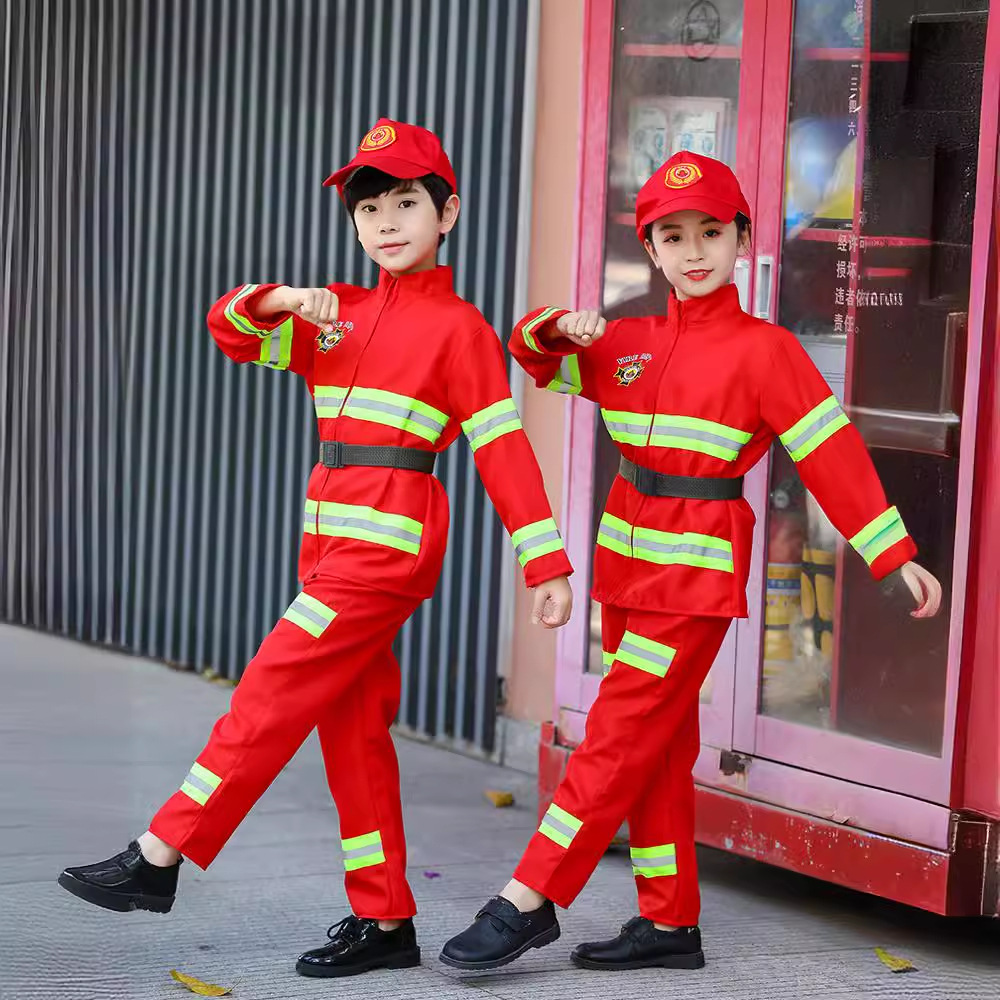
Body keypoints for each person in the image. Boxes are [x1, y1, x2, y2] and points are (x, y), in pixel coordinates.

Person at [58, 119, 574, 979]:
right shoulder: (336, 313)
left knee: (269, 687)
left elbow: (504, 450)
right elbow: (227, 329)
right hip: (329, 539)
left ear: (448, 212)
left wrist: (546, 561)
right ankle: (385, 921)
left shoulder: (460, 330)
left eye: (406, 202)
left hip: (389, 546)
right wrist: (278, 301)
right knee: (353, 734)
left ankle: (159, 855)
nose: (385, 221)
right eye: (368, 207)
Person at [440, 150, 941, 973]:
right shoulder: (627, 341)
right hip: (623, 567)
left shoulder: (768, 352)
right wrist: (556, 328)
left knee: (615, 734)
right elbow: (535, 360)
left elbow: (830, 454)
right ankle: (669, 923)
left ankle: (530, 897)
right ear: (653, 249)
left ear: (743, 238)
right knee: (661, 744)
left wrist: (891, 552)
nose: (694, 249)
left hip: (695, 578)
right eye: (673, 235)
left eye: (711, 230)